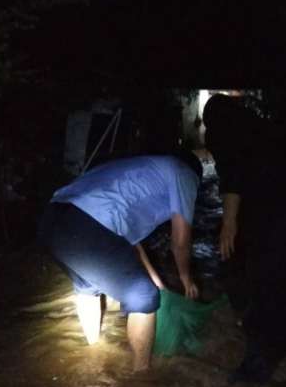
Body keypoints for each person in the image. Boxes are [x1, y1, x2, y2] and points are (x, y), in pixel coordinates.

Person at [37, 151, 203, 372]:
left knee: (89, 286)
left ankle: (92, 355)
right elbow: (181, 241)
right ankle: (141, 378)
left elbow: (130, 245)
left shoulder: (139, 174)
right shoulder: (183, 172)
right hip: (86, 226)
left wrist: (158, 283)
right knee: (143, 295)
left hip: (51, 222)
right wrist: (186, 278)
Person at [202, 93, 286, 384]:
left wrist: (228, 224)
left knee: (262, 285)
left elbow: (233, 176)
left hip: (275, 220)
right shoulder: (262, 129)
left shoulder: (227, 132)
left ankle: (257, 369)